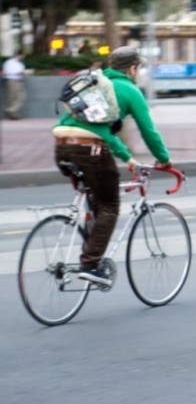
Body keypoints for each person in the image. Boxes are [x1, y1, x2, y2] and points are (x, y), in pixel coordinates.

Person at [52, 46, 172, 285]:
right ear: (133, 68)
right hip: (90, 148)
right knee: (109, 206)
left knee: (96, 198)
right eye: (139, 68)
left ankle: (91, 247)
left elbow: (101, 131)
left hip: (62, 144)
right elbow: (148, 131)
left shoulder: (96, 83)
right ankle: (90, 264)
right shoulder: (129, 89)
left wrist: (127, 158)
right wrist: (164, 158)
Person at [2, 51, 29, 120]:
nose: (23, 57)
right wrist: (20, 72)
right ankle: (11, 110)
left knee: (17, 97)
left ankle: (13, 113)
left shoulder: (19, 63)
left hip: (18, 80)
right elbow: (8, 71)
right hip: (12, 80)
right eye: (22, 55)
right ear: (18, 55)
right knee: (15, 97)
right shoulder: (10, 62)